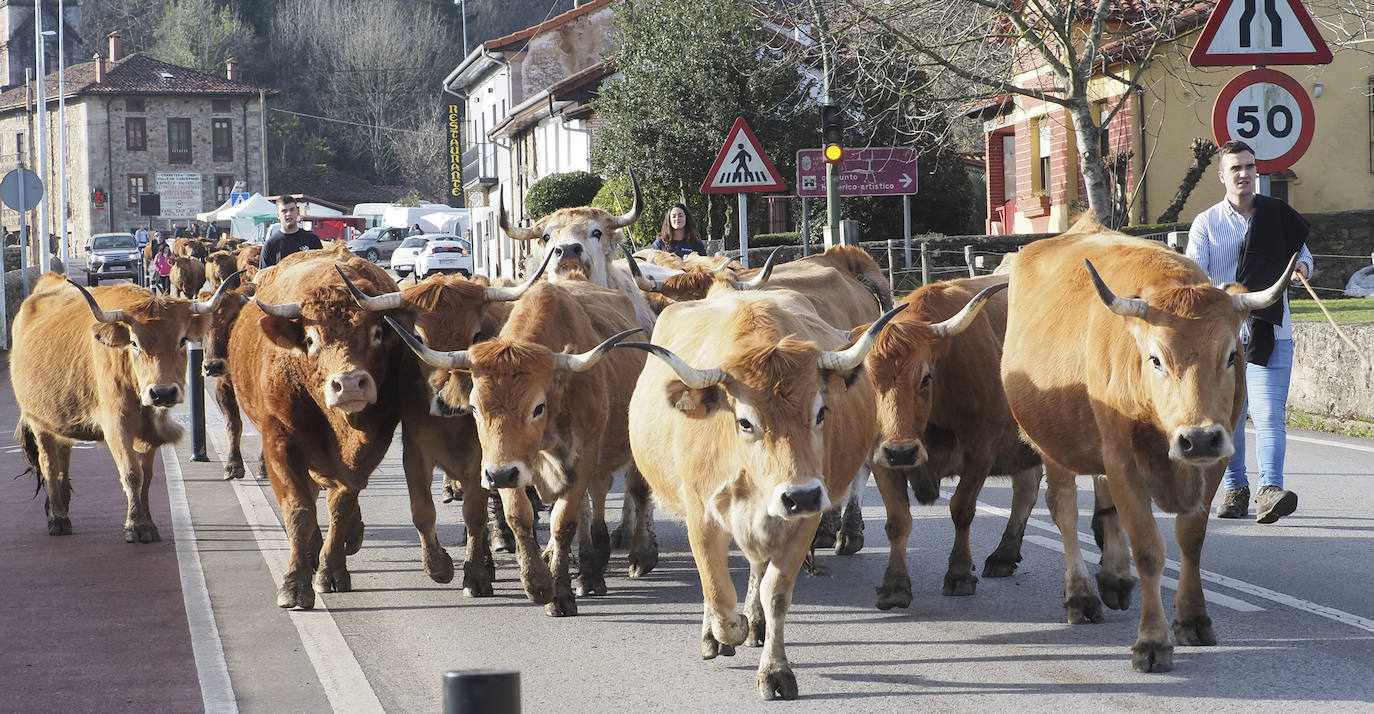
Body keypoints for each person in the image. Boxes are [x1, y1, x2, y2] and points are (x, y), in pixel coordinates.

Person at [1186, 139, 1313, 524]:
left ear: (1256, 172)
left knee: (1269, 412)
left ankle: (1270, 488)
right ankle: (1236, 487)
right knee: (1231, 417)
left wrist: (1302, 269)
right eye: (1236, 168)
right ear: (1222, 175)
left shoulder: (1277, 215)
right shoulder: (1206, 223)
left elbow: (1303, 253)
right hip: (1223, 339)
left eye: (1249, 167)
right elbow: (1195, 278)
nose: (1243, 174)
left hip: (1273, 328)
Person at [260, 195, 322, 268]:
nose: (288, 214)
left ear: (297, 212)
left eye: (292, 210)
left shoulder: (312, 239)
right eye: (284, 211)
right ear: (278, 215)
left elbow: (321, 270)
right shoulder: (270, 245)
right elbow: (264, 277)